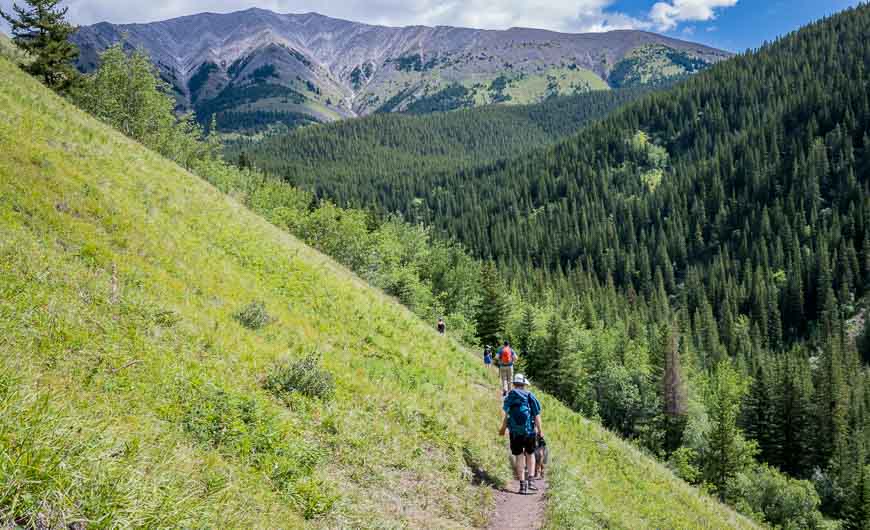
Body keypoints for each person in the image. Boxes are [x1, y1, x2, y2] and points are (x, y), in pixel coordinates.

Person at [499, 374, 543, 495]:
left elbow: (507, 414)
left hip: (514, 432)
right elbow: (536, 415)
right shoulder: (529, 396)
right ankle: (531, 480)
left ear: (514, 384)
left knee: (519, 457)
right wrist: (540, 431)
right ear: (524, 384)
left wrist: (503, 428)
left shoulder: (510, 396)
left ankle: (522, 486)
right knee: (530, 454)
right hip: (529, 431)